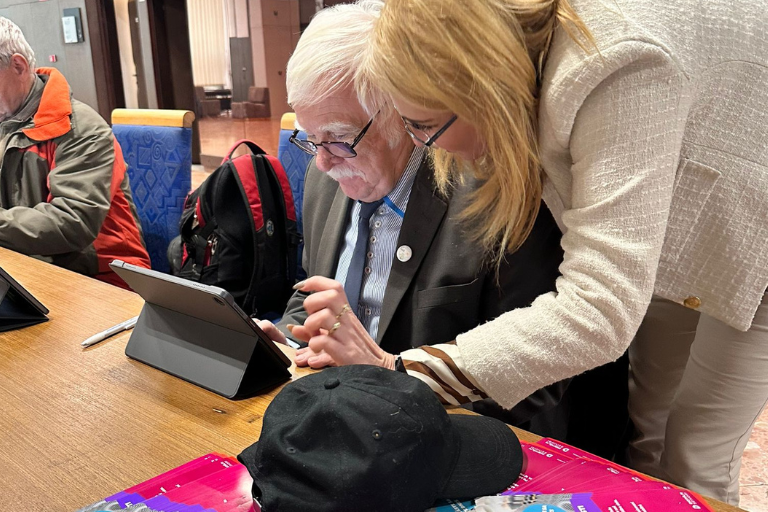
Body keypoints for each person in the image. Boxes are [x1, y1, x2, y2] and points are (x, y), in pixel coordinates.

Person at [287, 0, 768, 505]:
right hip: (683, 206)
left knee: (696, 451)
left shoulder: (613, 64)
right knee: (649, 429)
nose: (422, 147)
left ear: (480, 87)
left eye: (422, 125)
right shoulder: (529, 73)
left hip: (753, 232)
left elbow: (598, 312)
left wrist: (402, 373)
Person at [255, 1, 569, 434]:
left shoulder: (499, 197)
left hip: (445, 438)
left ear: (400, 110)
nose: (323, 162)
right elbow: (314, 292)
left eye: (340, 139)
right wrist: (288, 340)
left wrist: (389, 377)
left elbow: (537, 380)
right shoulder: (323, 177)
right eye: (311, 140)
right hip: (336, 422)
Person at [0, 18, 150, 287]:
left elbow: (72, 222)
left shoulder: (81, 130)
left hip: (102, 278)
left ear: (18, 66)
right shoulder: (7, 119)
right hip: (31, 265)